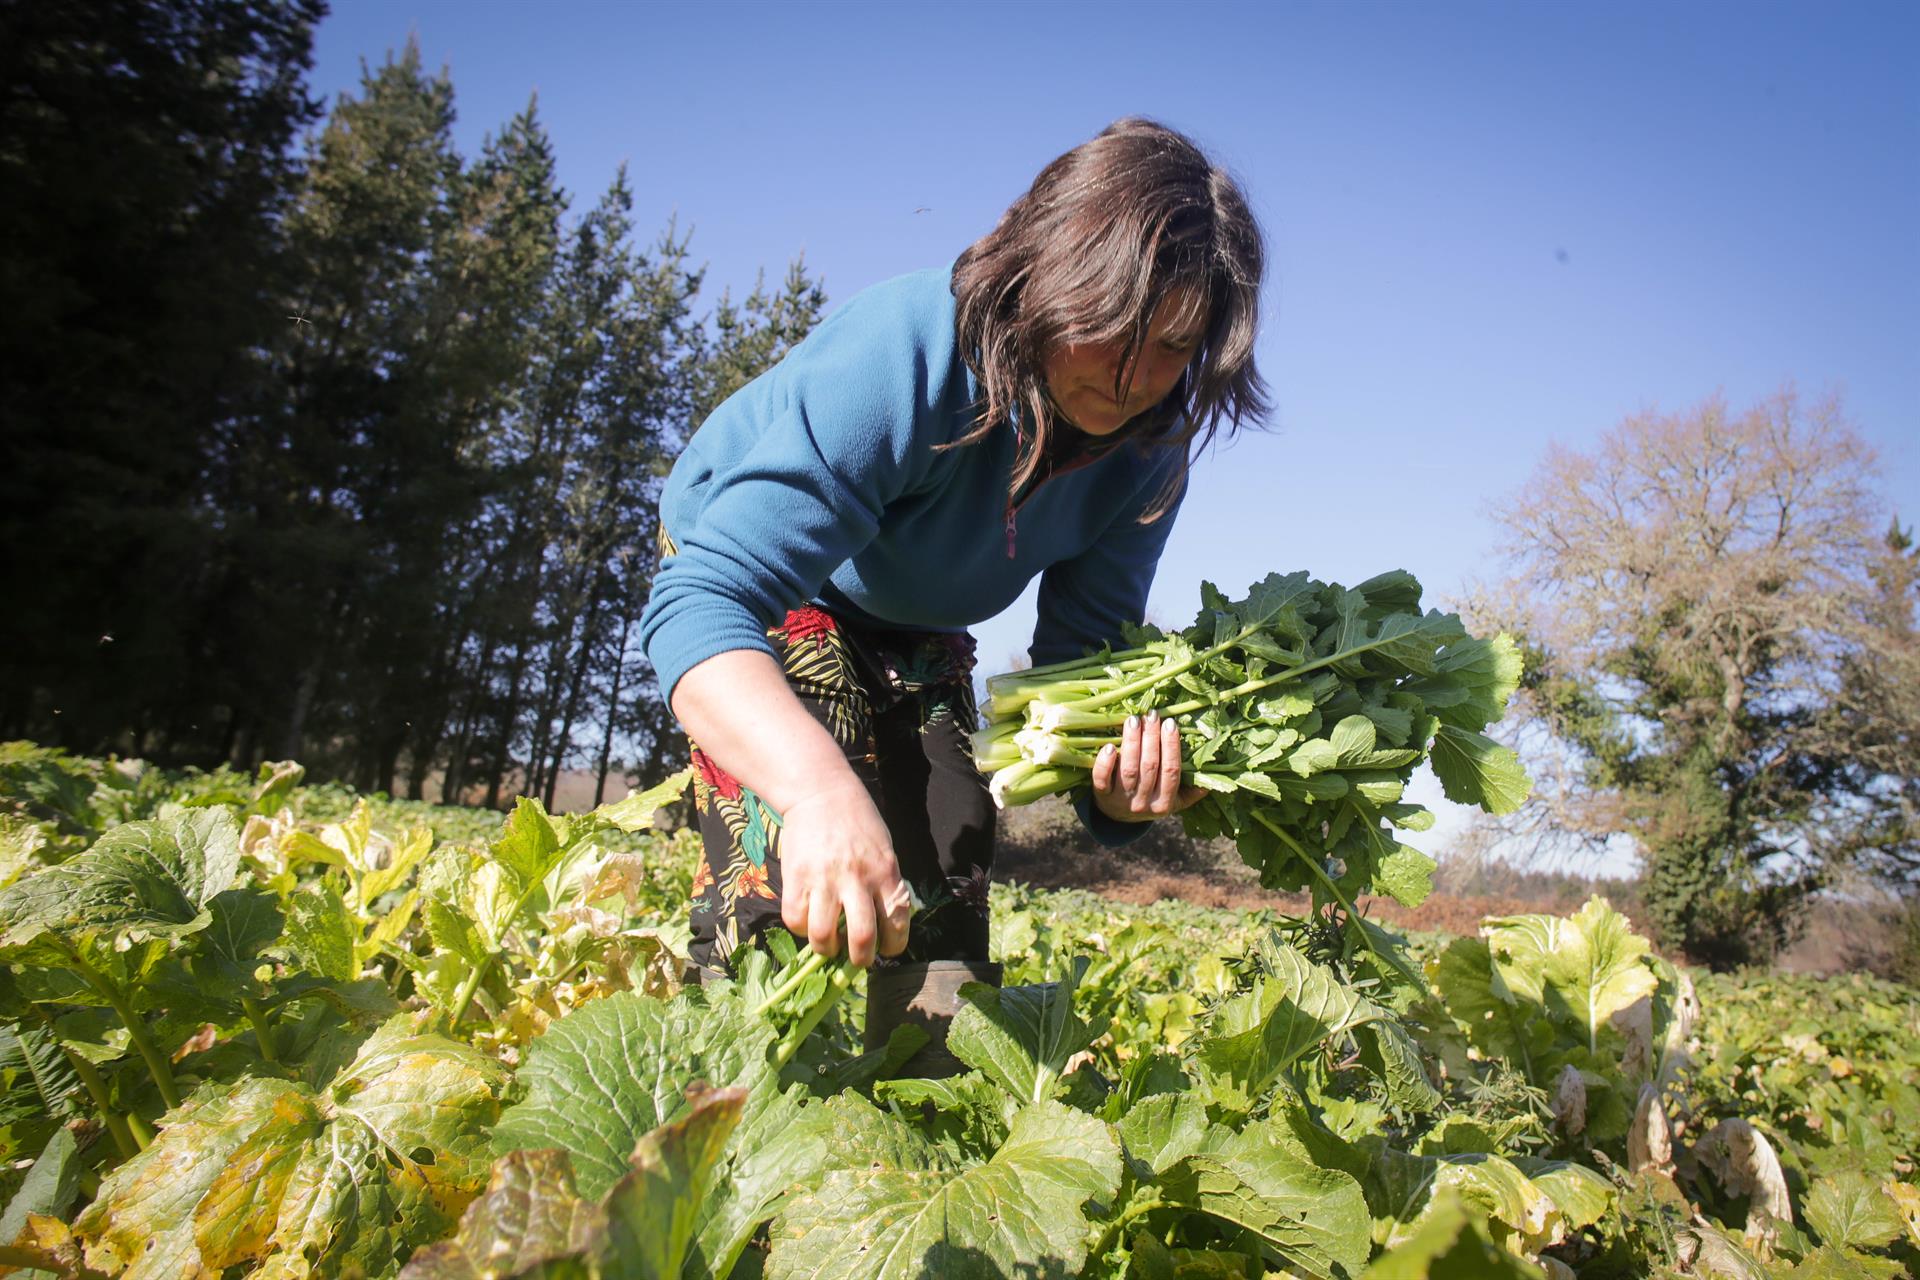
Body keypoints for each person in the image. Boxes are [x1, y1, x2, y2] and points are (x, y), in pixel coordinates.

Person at [638, 117, 1267, 1067]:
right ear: (1046, 279)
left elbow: (1079, 662)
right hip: (765, 575)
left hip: (915, 614)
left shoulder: (1149, 454)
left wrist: (1117, 795)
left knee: (948, 852)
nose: (1135, 378)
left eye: (1174, 346)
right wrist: (816, 792)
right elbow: (703, 602)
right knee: (796, 858)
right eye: (1112, 329)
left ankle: (920, 1101)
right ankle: (725, 1090)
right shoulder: (906, 352)